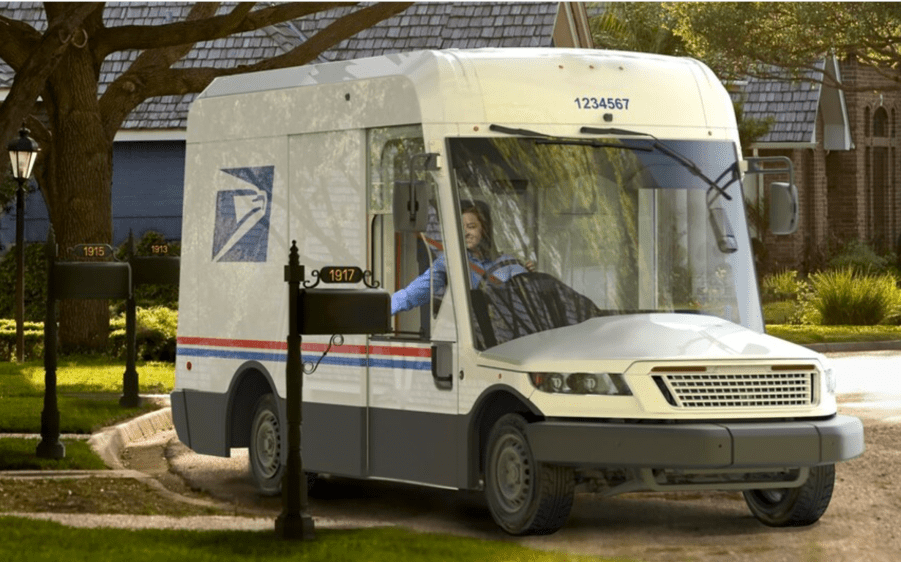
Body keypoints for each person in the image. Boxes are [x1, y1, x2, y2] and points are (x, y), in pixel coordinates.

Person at [391, 200, 530, 315]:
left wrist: (531, 275)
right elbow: (416, 292)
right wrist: (383, 307)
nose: (466, 233)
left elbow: (528, 300)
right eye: (460, 228)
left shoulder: (509, 264)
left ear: (485, 228)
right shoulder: (449, 263)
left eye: (471, 226)